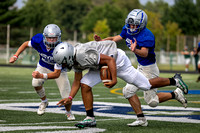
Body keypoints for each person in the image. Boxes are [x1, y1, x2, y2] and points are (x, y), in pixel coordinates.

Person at [45, 41, 188, 128]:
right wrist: (70, 98)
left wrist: (113, 79)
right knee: (85, 84)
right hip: (101, 65)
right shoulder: (75, 59)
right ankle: (90, 118)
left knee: (145, 85)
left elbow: (110, 61)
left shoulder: (82, 54)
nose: (63, 65)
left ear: (69, 56)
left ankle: (174, 80)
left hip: (118, 60)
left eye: (63, 62)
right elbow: (77, 81)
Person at [94, 9, 187, 126]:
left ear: (142, 24)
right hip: (140, 67)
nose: (132, 27)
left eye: (135, 24)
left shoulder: (147, 35)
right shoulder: (127, 29)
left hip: (150, 68)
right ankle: (141, 119)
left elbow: (144, 53)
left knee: (152, 102)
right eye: (130, 24)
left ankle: (175, 91)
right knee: (128, 91)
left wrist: (135, 50)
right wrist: (102, 41)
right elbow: (114, 39)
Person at [9, 24, 75, 120]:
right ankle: (44, 101)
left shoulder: (61, 48)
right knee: (35, 82)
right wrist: (15, 56)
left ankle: (68, 112)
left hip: (59, 70)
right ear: (44, 37)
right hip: (43, 65)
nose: (52, 40)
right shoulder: (39, 40)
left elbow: (56, 74)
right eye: (49, 38)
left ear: (59, 37)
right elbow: (25, 44)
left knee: (66, 96)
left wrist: (41, 75)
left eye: (54, 38)